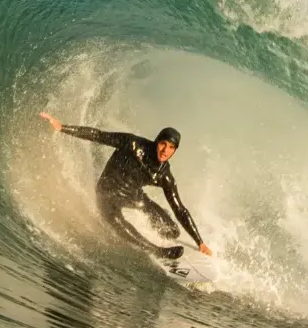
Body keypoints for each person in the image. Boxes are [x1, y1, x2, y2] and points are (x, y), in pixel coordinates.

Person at [39, 112, 212, 261]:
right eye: (163, 144)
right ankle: (157, 251)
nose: (165, 150)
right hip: (107, 193)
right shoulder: (132, 144)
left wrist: (200, 242)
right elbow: (98, 135)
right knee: (114, 220)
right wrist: (62, 127)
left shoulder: (163, 176)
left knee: (172, 231)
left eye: (171, 148)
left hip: (133, 196)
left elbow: (179, 208)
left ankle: (162, 235)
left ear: (175, 150)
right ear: (156, 141)